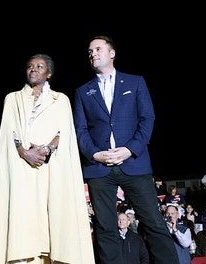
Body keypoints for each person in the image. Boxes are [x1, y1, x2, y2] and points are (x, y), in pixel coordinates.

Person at [73, 35, 178, 264]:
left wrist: (130, 150)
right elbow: (80, 130)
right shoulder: (83, 92)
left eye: (98, 49)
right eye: (90, 51)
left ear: (112, 53)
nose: (92, 53)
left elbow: (147, 119)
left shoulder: (135, 82)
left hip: (134, 164)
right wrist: (94, 154)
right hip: (99, 169)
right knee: (105, 228)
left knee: (153, 222)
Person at [0, 54, 94, 263]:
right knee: (23, 217)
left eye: (39, 66)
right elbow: (10, 132)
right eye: (30, 66)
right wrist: (24, 152)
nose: (33, 69)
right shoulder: (13, 99)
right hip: (22, 167)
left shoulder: (60, 99)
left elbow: (65, 132)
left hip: (52, 167)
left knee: (55, 211)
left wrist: (47, 149)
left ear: (49, 73)